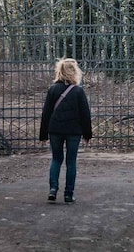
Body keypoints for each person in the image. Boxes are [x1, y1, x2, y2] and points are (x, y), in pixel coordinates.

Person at [39, 58, 93, 204]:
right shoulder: (78, 91)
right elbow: (85, 114)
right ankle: (68, 194)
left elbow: (46, 113)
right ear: (75, 72)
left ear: (60, 71)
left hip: (55, 130)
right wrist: (88, 134)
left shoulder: (53, 89)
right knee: (71, 161)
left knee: (56, 159)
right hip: (74, 131)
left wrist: (43, 134)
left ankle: (53, 189)